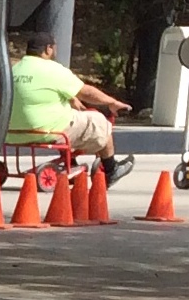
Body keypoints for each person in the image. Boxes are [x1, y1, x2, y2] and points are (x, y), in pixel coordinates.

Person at [9, 31, 134, 185]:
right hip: (45, 131)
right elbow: (86, 92)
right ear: (48, 49)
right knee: (99, 121)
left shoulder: (14, 70)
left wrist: (71, 98)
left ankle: (71, 162)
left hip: (12, 133)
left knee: (64, 115)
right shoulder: (52, 69)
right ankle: (111, 169)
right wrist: (111, 102)